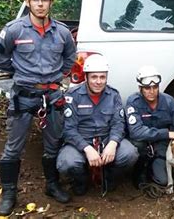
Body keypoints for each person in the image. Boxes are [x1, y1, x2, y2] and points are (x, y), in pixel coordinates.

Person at [0, 0, 76, 215]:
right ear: (27, 2)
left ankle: (52, 185)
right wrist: (22, 74)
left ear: (51, 3)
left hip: (52, 96)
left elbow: (70, 58)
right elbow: (0, 59)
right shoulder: (14, 29)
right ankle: (9, 193)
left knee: (52, 145)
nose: (40, 4)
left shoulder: (61, 32)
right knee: (13, 147)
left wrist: (57, 75)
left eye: (44, 0)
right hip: (24, 96)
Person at [56, 54, 139, 196]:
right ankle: (81, 179)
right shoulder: (73, 95)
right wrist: (87, 149)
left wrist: (112, 144)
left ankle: (109, 175)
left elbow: (118, 123)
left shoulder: (113, 95)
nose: (98, 81)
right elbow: (69, 129)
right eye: (94, 77)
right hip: (82, 141)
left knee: (130, 153)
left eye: (102, 77)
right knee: (66, 163)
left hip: (106, 139)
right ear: (86, 77)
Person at [125, 65, 174, 192]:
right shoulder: (133, 101)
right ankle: (140, 170)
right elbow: (136, 132)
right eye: (147, 88)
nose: (151, 91)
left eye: (155, 87)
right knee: (137, 143)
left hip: (161, 146)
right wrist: (167, 134)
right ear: (140, 88)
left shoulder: (170, 102)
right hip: (142, 144)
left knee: (163, 181)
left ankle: (155, 168)